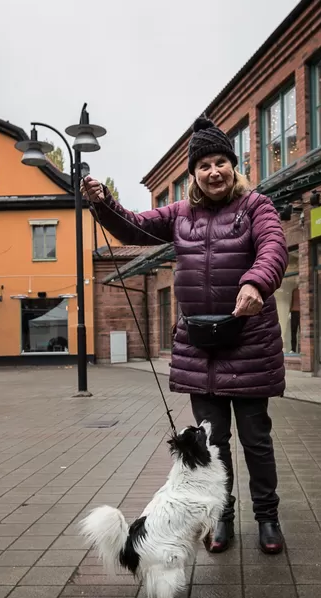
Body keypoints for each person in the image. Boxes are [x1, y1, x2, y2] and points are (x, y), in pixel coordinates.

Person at [83, 115, 288, 555]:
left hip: (250, 343)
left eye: (221, 162)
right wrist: (103, 203)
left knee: (256, 440)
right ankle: (222, 519)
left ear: (234, 166)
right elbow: (131, 226)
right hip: (201, 349)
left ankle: (268, 519)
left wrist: (255, 281)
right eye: (204, 166)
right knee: (213, 445)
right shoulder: (180, 215)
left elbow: (273, 248)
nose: (214, 172)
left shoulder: (257, 206)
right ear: (192, 175)